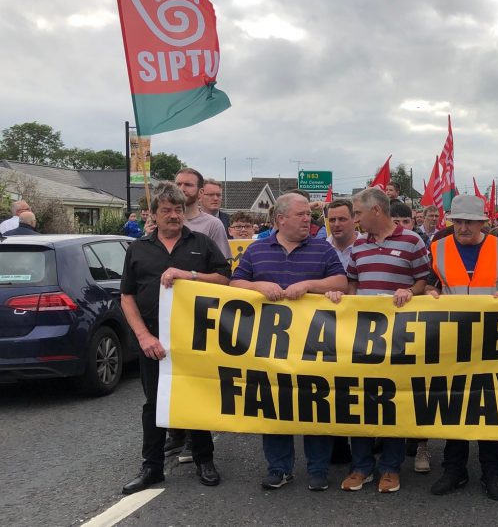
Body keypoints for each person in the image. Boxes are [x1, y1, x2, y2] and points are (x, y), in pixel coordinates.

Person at [230, 193, 348, 492]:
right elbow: (235, 283)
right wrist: (258, 285)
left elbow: (340, 282)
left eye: (309, 214)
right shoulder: (257, 251)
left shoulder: (322, 248)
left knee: (316, 404)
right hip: (271, 347)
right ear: (280, 219)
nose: (308, 218)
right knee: (275, 405)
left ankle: (318, 469)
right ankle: (279, 468)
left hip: (314, 346)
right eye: (300, 214)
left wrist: (310, 285)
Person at [119, 182, 230, 495]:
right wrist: (143, 337)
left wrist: (189, 275)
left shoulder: (203, 243)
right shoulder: (138, 249)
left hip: (195, 339)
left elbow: (225, 279)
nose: (174, 215)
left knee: (195, 398)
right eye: (166, 210)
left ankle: (204, 459)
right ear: (153, 214)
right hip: (153, 343)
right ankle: (151, 468)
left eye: (178, 209)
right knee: (154, 403)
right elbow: (126, 296)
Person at [425, 195, 498, 501]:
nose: (463, 227)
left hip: (491, 340)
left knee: (489, 406)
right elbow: (432, 284)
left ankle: (492, 472)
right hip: (453, 339)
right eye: (458, 221)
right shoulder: (438, 248)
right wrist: (432, 293)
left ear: (484, 222)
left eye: (469, 221)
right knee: (454, 404)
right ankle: (454, 469)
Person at [343, 187, 431, 493]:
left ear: (376, 211)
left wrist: (412, 291)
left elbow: (424, 278)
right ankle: (362, 467)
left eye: (357, 213)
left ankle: (391, 468)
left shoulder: (412, 241)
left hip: (399, 337)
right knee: (361, 400)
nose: (354, 219)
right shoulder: (358, 246)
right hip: (363, 337)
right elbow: (352, 283)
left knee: (393, 399)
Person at [174, 169, 230, 258]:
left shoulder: (214, 225)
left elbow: (222, 268)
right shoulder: (163, 221)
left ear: (200, 192)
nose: (182, 189)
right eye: (178, 184)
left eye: (188, 185)